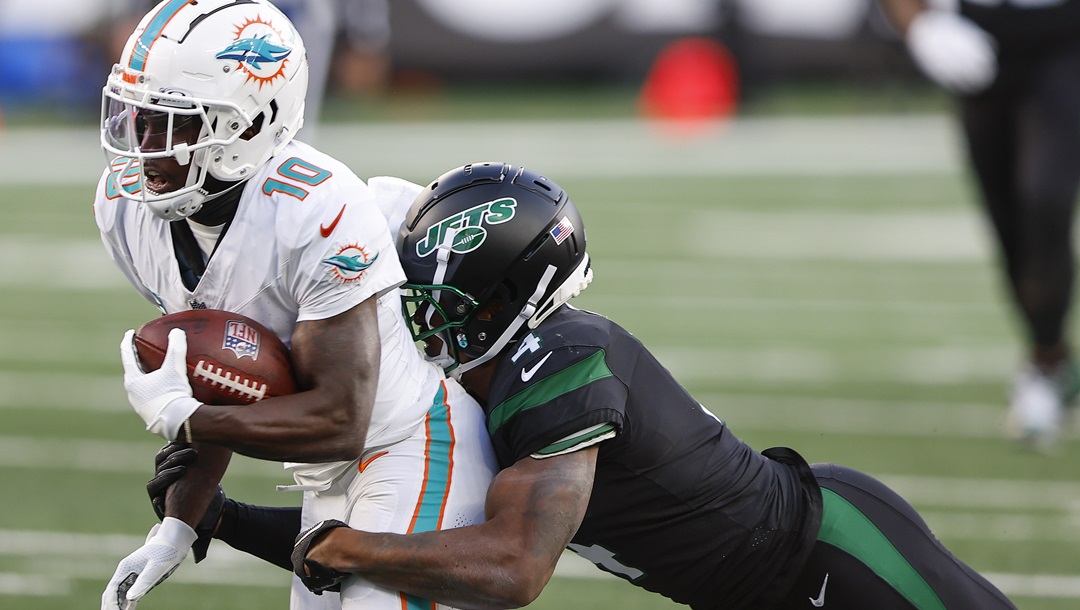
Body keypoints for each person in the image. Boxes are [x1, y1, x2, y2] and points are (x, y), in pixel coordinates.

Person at [152, 162, 1018, 609]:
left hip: (832, 554)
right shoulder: (479, 389)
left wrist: (346, 548)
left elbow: (512, 566)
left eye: (432, 284)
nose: (411, 301)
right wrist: (224, 520)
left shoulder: (561, 360)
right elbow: (387, 540)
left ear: (494, 290)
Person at [93, 2, 497, 609]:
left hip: (410, 443)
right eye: (139, 117)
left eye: (176, 125)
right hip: (325, 477)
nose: (146, 147)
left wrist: (189, 420)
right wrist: (177, 524)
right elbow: (220, 362)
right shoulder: (125, 209)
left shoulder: (317, 207)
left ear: (252, 126)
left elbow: (342, 418)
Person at [877, 0, 1080, 448]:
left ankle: (1044, 365)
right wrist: (919, 28)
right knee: (1009, 227)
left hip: (1066, 39)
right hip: (981, 39)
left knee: (1045, 197)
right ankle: (1051, 351)